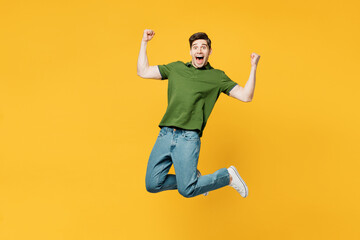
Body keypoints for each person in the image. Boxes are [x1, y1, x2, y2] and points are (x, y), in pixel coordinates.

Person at [137, 29, 260, 198]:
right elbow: (143, 71)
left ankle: (227, 176)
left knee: (187, 190)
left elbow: (246, 96)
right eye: (195, 47)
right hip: (165, 134)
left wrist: (253, 67)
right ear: (191, 51)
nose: (199, 50)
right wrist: (144, 42)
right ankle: (195, 179)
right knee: (152, 184)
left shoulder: (217, 77)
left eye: (203, 47)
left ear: (209, 51)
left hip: (188, 138)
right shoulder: (176, 68)